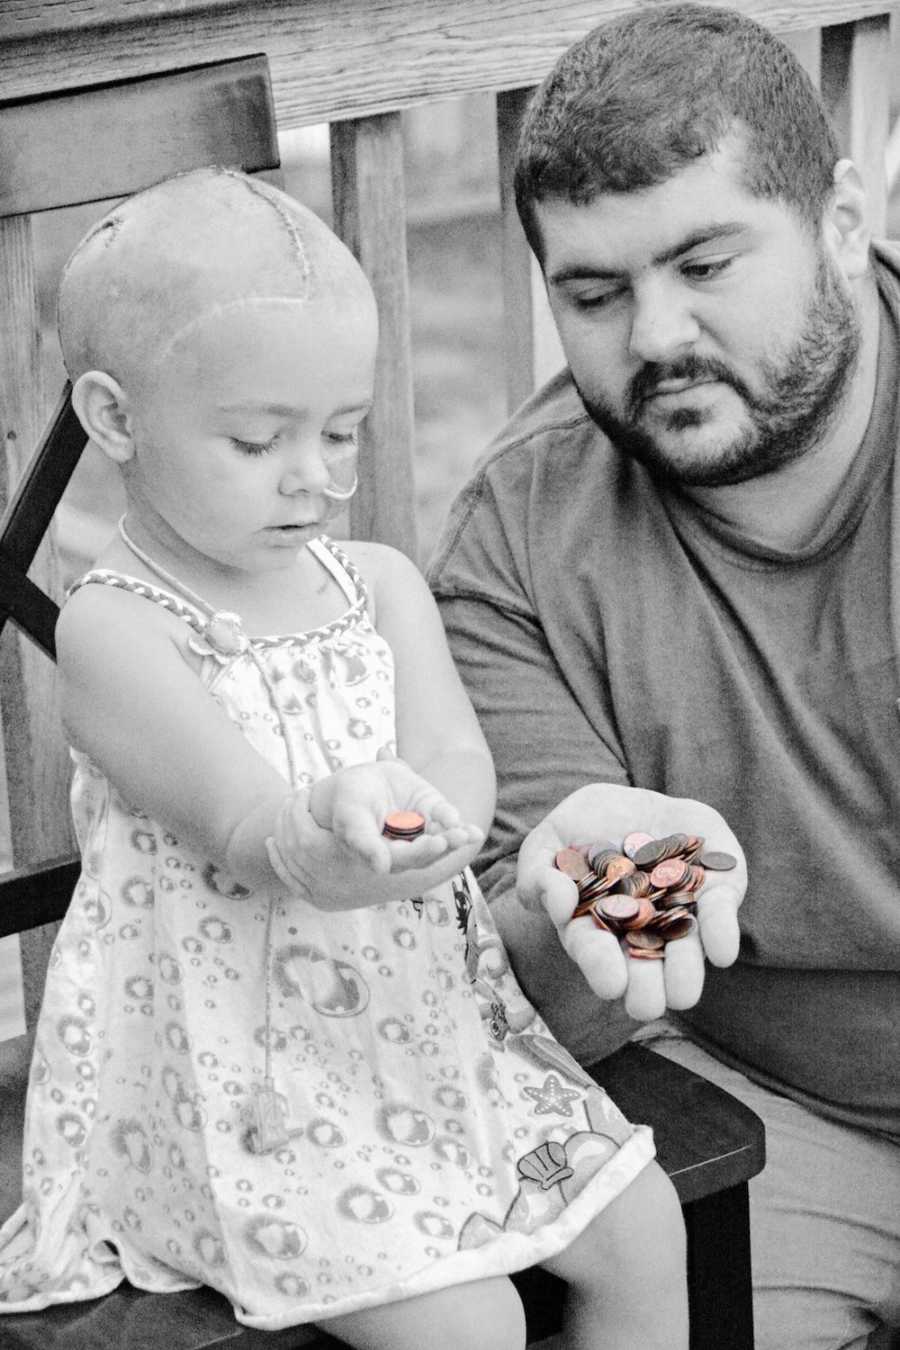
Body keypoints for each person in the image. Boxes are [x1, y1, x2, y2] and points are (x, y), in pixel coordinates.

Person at [0, 166, 689, 1349]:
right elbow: (256, 830)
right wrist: (337, 825)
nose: (318, 475)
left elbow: (452, 765)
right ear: (114, 420)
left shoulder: (377, 586)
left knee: (645, 1225)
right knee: (468, 1324)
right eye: (262, 440)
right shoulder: (120, 630)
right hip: (244, 1082)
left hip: (425, 1048)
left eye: (342, 432)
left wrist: (449, 825)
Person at [428, 5, 900, 1348]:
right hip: (761, 1105)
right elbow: (545, 1004)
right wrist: (584, 911)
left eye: (705, 262)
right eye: (594, 293)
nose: (656, 334)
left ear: (842, 222)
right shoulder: (517, 545)